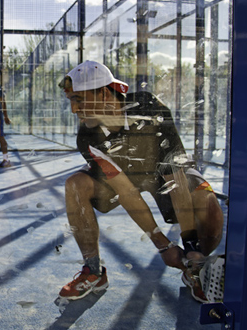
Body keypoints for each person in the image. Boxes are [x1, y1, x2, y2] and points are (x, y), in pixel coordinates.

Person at [57, 60, 224, 303]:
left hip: (161, 172)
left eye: (79, 99)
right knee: (76, 184)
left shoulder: (149, 107)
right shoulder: (87, 137)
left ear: (104, 93)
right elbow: (125, 191)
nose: (73, 109)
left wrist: (188, 243)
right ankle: (93, 271)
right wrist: (164, 246)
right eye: (70, 100)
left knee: (204, 195)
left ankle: (195, 266)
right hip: (125, 178)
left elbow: (174, 175)